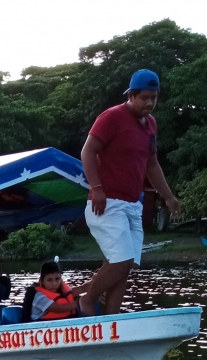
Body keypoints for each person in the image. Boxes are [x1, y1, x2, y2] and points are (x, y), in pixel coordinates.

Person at [79, 69, 180, 316]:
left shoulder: (151, 125)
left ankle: (113, 319)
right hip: (107, 203)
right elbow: (87, 152)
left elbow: (151, 163)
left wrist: (169, 197)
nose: (149, 103)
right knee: (120, 261)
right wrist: (97, 188)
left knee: (124, 267)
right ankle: (86, 299)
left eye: (154, 98)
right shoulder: (111, 117)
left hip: (133, 204)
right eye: (144, 97)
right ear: (131, 95)